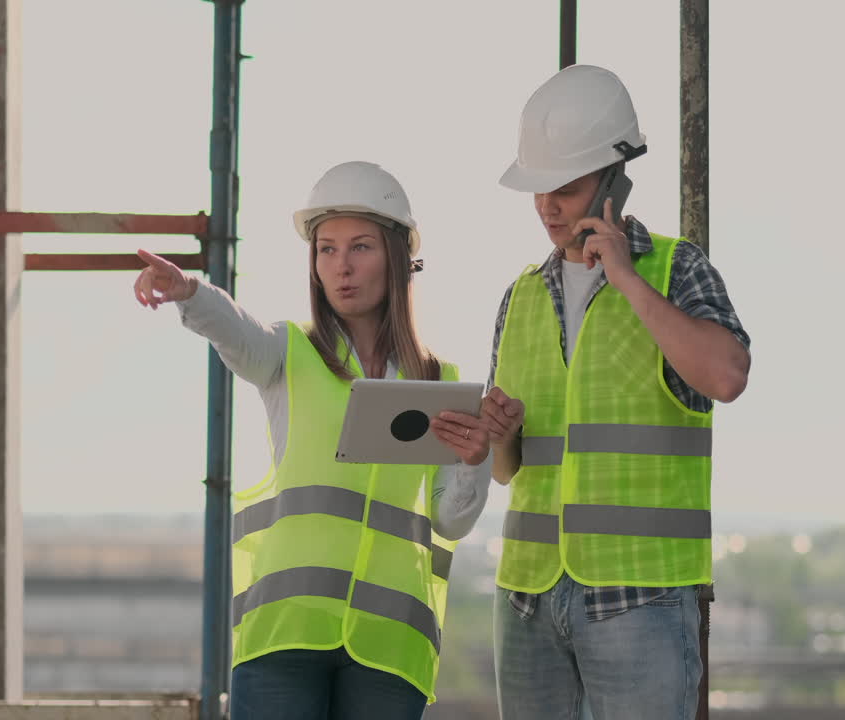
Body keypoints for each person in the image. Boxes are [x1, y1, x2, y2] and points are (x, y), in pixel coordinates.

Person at [133, 160, 493, 720]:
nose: (341, 266)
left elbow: (450, 520)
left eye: (360, 248)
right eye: (326, 249)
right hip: (287, 633)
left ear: (397, 258)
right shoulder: (287, 354)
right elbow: (234, 329)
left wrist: (475, 459)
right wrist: (188, 291)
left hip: (389, 646)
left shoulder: (439, 381)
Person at [480, 65, 752, 720]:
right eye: (538, 189)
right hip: (528, 598)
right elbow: (507, 469)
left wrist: (627, 279)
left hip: (641, 596)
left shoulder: (675, 268)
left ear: (613, 180)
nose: (547, 207)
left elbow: (727, 376)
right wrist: (498, 436)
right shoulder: (519, 296)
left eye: (565, 189)